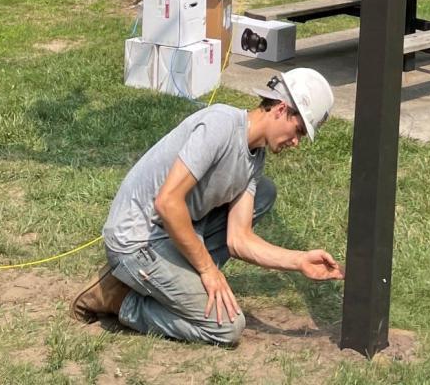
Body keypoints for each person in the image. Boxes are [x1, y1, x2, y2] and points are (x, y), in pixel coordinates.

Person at [71, 69, 342, 347]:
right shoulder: (220, 125)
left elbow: (239, 239)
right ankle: (119, 300)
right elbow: (167, 202)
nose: (296, 142)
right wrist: (208, 270)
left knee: (264, 193)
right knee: (226, 328)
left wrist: (299, 261)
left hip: (170, 233)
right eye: (298, 130)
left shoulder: (255, 159)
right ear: (281, 109)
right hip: (138, 241)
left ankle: (161, 282)